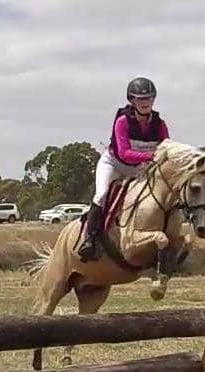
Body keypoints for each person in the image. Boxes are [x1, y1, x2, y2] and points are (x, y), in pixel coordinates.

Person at [77, 77, 170, 261]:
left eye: (149, 99)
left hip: (139, 169)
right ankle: (89, 239)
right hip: (114, 164)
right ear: (132, 101)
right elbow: (125, 153)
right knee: (102, 194)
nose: (145, 103)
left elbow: (167, 148)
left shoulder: (160, 125)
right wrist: (152, 156)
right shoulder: (123, 121)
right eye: (140, 99)